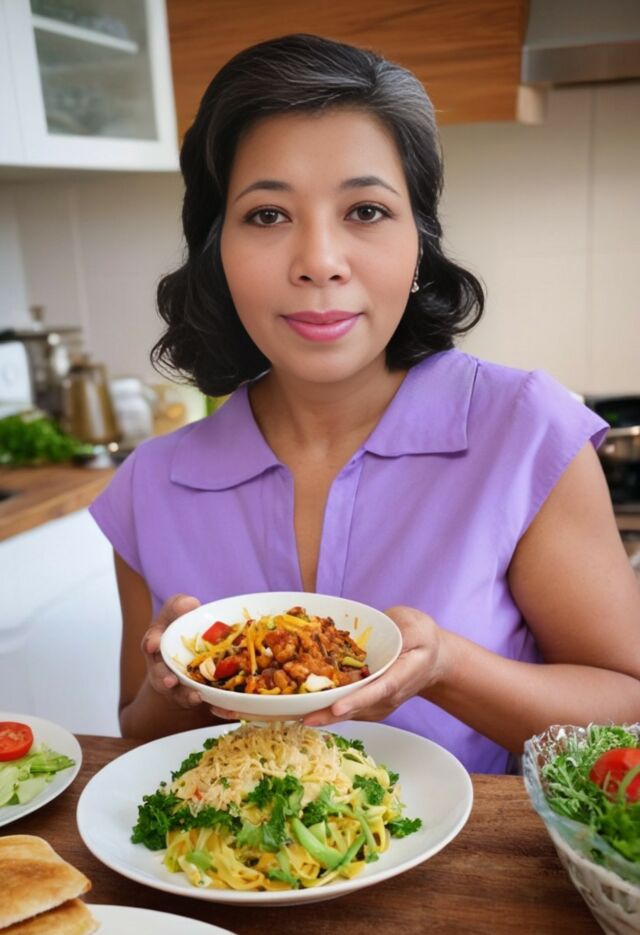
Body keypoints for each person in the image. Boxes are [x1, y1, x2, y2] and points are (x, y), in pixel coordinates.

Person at [90, 33, 640, 773]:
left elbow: (627, 706)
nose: (319, 262)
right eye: (267, 215)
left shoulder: (524, 432)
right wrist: (174, 684)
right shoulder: (150, 486)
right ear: (217, 254)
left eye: (367, 210)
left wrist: (447, 666)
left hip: (475, 851)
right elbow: (135, 738)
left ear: (419, 244)